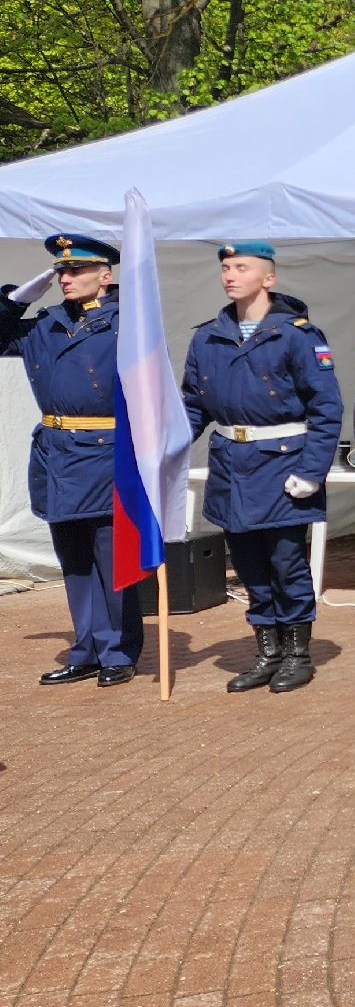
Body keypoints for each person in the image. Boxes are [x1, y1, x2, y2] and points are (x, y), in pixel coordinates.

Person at [182, 242, 345, 693]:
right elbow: (193, 405)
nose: (230, 275)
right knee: (249, 566)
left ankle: (297, 654)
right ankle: (268, 653)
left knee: (286, 562)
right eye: (225, 267)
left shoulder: (297, 335)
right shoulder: (207, 337)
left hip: (282, 465)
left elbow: (326, 408)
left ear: (268, 278)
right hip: (231, 466)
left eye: (241, 267)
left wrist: (312, 471)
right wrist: (166, 446)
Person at [2, 235, 144, 687]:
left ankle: (118, 650)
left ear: (105, 275)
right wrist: (15, 301)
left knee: (109, 555)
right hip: (55, 452)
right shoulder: (47, 323)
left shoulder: (128, 324)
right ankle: (87, 649)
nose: (65, 277)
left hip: (104, 449)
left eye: (76, 269)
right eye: (60, 270)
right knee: (75, 559)